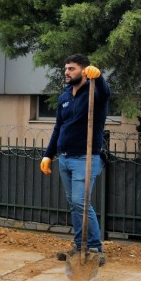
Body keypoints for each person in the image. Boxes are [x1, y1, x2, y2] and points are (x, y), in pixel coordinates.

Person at [40, 54, 110, 264]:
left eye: (71, 69)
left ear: (84, 70)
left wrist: (99, 78)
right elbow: (58, 128)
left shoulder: (94, 93)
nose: (67, 72)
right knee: (74, 204)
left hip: (85, 158)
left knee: (82, 202)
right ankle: (79, 245)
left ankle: (95, 248)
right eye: (66, 69)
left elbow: (105, 94)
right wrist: (48, 155)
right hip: (64, 158)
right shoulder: (65, 97)